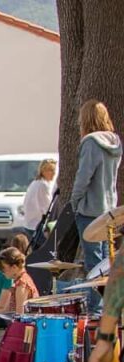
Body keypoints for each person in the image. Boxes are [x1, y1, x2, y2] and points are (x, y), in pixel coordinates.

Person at [71, 100, 122, 313]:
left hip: (90, 208)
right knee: (105, 263)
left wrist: (75, 201)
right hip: (109, 209)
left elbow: (84, 177)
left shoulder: (90, 142)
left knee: (93, 264)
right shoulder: (115, 142)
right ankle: (109, 306)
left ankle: (96, 309)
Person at [0, 247, 38, 315]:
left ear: (14, 267)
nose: (2, 272)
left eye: (3, 269)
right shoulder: (18, 281)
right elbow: (6, 310)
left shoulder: (22, 284)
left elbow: (20, 315)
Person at [22, 158, 57, 238]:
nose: (53, 173)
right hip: (37, 226)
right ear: (43, 171)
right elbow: (47, 208)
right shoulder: (43, 185)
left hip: (29, 224)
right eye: (50, 170)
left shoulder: (35, 182)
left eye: (54, 170)